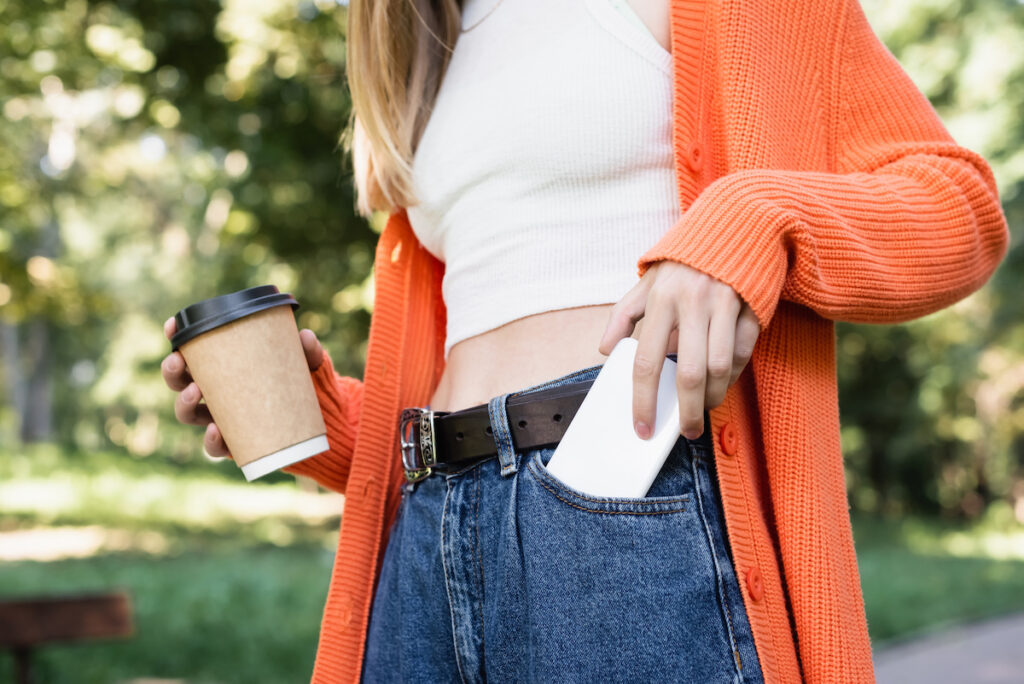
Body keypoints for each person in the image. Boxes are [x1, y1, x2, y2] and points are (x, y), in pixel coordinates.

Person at [162, 0, 1010, 681]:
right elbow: (480, 346)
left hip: (622, 496)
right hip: (428, 525)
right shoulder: (427, 38)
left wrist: (756, 221)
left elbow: (959, 207)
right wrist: (319, 421)